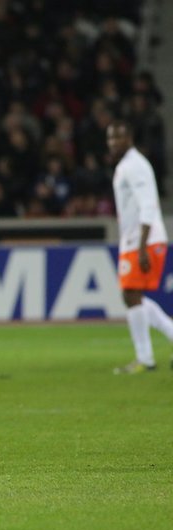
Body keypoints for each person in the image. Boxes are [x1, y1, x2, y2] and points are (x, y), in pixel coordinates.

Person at [107, 121, 173, 373]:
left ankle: (145, 359)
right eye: (110, 138)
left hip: (144, 239)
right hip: (135, 239)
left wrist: (144, 246)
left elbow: (148, 205)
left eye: (118, 138)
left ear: (130, 137)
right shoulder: (128, 165)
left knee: (130, 294)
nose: (113, 143)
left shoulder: (135, 166)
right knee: (133, 295)